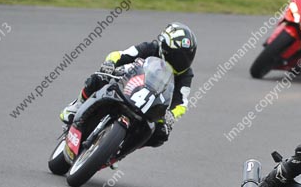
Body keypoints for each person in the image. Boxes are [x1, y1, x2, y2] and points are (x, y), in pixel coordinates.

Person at [59, 22, 197, 147]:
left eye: (186, 57)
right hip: (126, 84)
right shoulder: (149, 48)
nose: (181, 62)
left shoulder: (186, 75)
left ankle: (118, 150)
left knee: (161, 135)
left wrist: (171, 115)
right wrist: (110, 64)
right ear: (164, 48)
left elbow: (181, 102)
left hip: (152, 104)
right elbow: (119, 55)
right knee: (98, 78)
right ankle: (77, 105)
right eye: (177, 56)